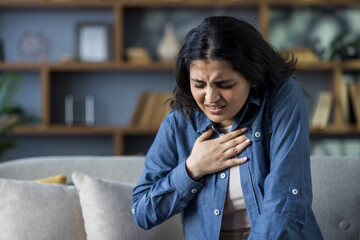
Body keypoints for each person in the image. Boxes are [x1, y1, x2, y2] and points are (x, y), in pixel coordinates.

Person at [131, 16, 323, 240]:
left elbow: (286, 196)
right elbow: (142, 212)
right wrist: (192, 169)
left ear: (253, 77)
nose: (211, 98)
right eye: (199, 84)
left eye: (225, 84)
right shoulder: (178, 123)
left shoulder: (283, 97)